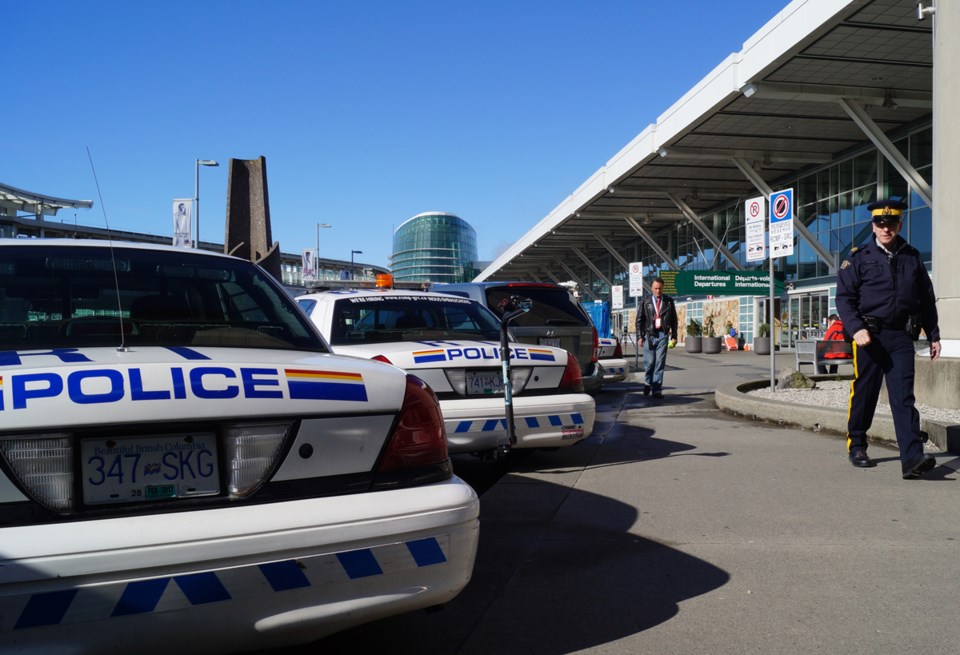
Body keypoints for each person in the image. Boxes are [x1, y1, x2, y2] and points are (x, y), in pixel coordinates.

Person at [835, 199, 941, 479]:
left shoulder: (912, 256)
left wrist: (934, 335)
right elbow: (844, 299)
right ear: (873, 225)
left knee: (904, 397)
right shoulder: (857, 257)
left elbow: (926, 299)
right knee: (866, 392)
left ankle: (912, 459)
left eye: (891, 223)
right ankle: (857, 444)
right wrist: (856, 328)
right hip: (869, 336)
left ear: (900, 225)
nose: (886, 228)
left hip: (901, 337)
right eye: (881, 224)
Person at [636, 277, 678, 399]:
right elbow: (639, 320)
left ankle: (657, 390)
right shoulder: (645, 301)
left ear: (663, 288)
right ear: (651, 288)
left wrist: (674, 336)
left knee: (659, 363)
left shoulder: (669, 301)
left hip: (663, 335)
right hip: (649, 335)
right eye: (655, 288)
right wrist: (639, 336)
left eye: (660, 288)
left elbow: (674, 320)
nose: (658, 291)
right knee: (650, 362)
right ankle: (647, 382)